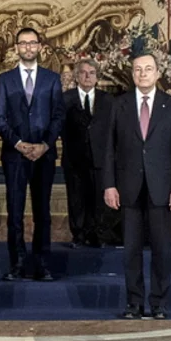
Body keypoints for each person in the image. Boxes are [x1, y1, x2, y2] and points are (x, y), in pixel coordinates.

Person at [102, 52, 171, 320]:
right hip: (128, 188)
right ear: (132, 74)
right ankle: (133, 303)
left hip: (162, 189)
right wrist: (109, 185)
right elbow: (109, 149)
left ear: (157, 74)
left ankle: (159, 303)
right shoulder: (119, 105)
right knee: (130, 250)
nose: (143, 74)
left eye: (148, 69)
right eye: (138, 69)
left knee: (162, 250)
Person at [0, 26, 66, 281]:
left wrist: (45, 144)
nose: (28, 47)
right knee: (15, 213)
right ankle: (17, 264)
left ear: (40, 47)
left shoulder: (52, 79)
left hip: (44, 155)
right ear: (16, 48)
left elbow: (58, 116)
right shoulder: (5, 80)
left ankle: (42, 265)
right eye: (23, 43)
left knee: (42, 213)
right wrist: (18, 143)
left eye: (32, 43)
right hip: (15, 155)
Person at [63, 58, 113, 247]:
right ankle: (78, 235)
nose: (87, 76)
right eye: (83, 72)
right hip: (74, 158)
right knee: (76, 199)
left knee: (98, 199)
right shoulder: (65, 99)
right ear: (76, 76)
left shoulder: (108, 100)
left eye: (92, 73)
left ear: (97, 77)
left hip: (100, 158)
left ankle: (97, 235)